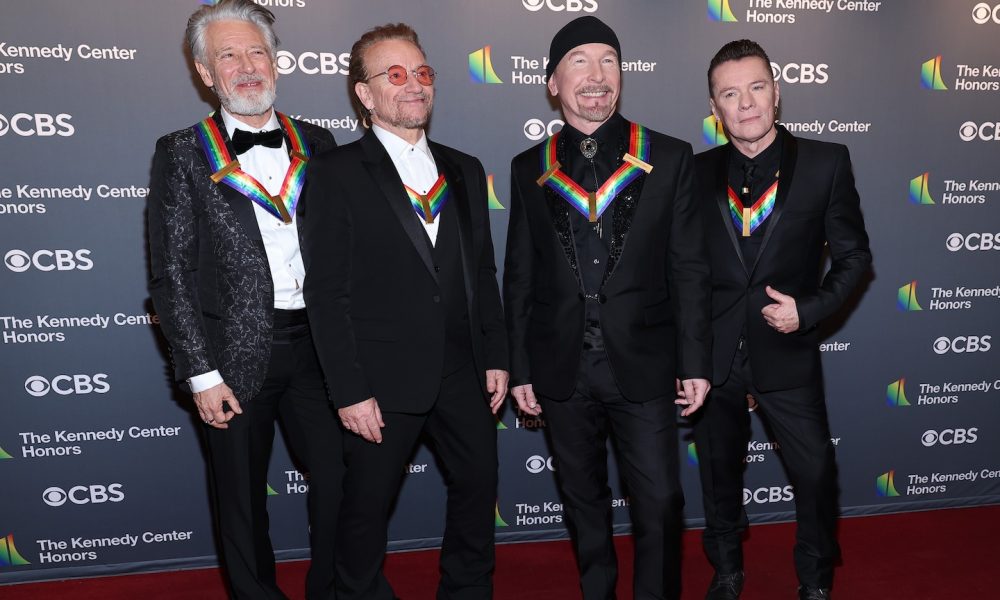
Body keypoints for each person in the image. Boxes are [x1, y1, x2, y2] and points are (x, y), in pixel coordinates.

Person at [503, 16, 712, 600]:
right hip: (562, 367)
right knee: (581, 499)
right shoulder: (529, 168)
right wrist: (520, 368)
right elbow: (519, 274)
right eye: (579, 62)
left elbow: (690, 269)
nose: (596, 76)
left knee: (662, 500)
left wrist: (695, 363)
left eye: (608, 61)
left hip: (644, 363)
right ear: (552, 83)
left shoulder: (669, 157)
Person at [298, 23, 509, 600]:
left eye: (421, 72)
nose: (412, 85)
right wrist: (348, 390)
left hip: (464, 371)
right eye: (394, 74)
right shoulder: (333, 175)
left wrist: (494, 352)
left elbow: (481, 271)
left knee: (476, 491)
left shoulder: (464, 168)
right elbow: (326, 294)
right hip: (380, 380)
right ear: (365, 96)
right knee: (363, 512)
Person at [146, 1, 341, 597]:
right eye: (228, 55)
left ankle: (336, 588)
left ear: (276, 62)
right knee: (239, 499)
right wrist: (200, 375)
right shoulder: (181, 151)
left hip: (322, 349)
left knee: (341, 485)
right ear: (206, 73)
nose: (247, 66)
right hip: (230, 359)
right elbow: (170, 272)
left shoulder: (320, 142)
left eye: (257, 51)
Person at [691, 39, 871, 600]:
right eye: (729, 93)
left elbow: (854, 257)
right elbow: (681, 270)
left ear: (777, 93)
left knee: (815, 475)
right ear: (716, 109)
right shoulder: (693, 174)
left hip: (787, 353)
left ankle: (815, 579)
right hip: (714, 358)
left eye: (756, 87)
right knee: (718, 477)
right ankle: (727, 569)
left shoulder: (826, 162)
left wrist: (809, 309)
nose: (745, 103)